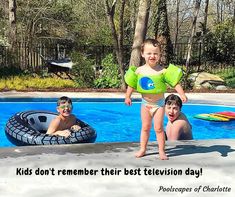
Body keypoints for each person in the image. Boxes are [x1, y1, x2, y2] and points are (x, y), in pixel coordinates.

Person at [124, 38, 187, 160]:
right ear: (142, 54)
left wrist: (182, 94)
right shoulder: (139, 71)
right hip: (145, 104)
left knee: (158, 128)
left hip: (158, 105)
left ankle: (161, 151)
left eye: (155, 53)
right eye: (149, 53)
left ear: (159, 55)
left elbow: (175, 83)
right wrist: (128, 96)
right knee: (145, 127)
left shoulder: (163, 71)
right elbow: (131, 84)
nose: (152, 56)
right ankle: (143, 149)